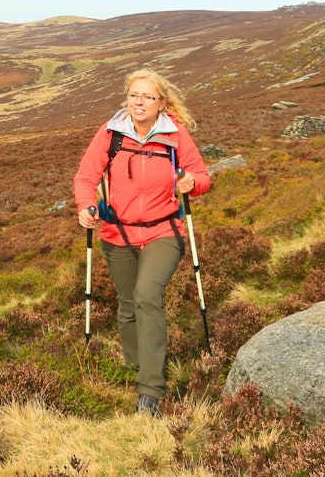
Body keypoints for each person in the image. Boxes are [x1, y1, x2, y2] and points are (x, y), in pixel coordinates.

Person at [74, 68, 211, 417]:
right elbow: (86, 175)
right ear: (127, 98)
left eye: (147, 97)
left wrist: (191, 183)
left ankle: (150, 390)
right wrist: (85, 206)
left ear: (160, 103)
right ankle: (140, 364)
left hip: (163, 230)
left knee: (146, 296)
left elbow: (203, 178)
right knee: (127, 305)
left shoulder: (175, 136)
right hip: (117, 233)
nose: (139, 102)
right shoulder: (110, 134)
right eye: (134, 95)